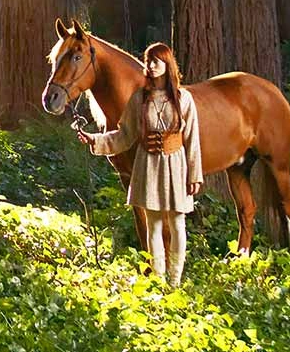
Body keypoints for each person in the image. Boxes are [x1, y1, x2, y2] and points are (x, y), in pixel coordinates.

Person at [78, 42, 203, 286]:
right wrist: (94, 140)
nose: (151, 65)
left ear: (168, 64)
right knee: (153, 225)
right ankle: (158, 279)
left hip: (176, 164)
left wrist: (194, 174)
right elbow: (124, 135)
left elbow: (192, 138)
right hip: (149, 166)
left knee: (177, 224)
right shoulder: (139, 99)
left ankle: (175, 280)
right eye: (148, 61)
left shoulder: (183, 99)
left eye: (157, 61)